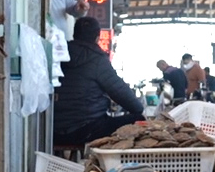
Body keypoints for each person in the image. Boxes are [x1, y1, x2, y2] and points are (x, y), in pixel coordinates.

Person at [54, 16, 146, 147]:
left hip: (53, 130)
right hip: (86, 129)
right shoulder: (97, 60)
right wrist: (138, 109)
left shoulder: (59, 55)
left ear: (74, 35)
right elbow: (123, 95)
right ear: (98, 37)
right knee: (139, 119)